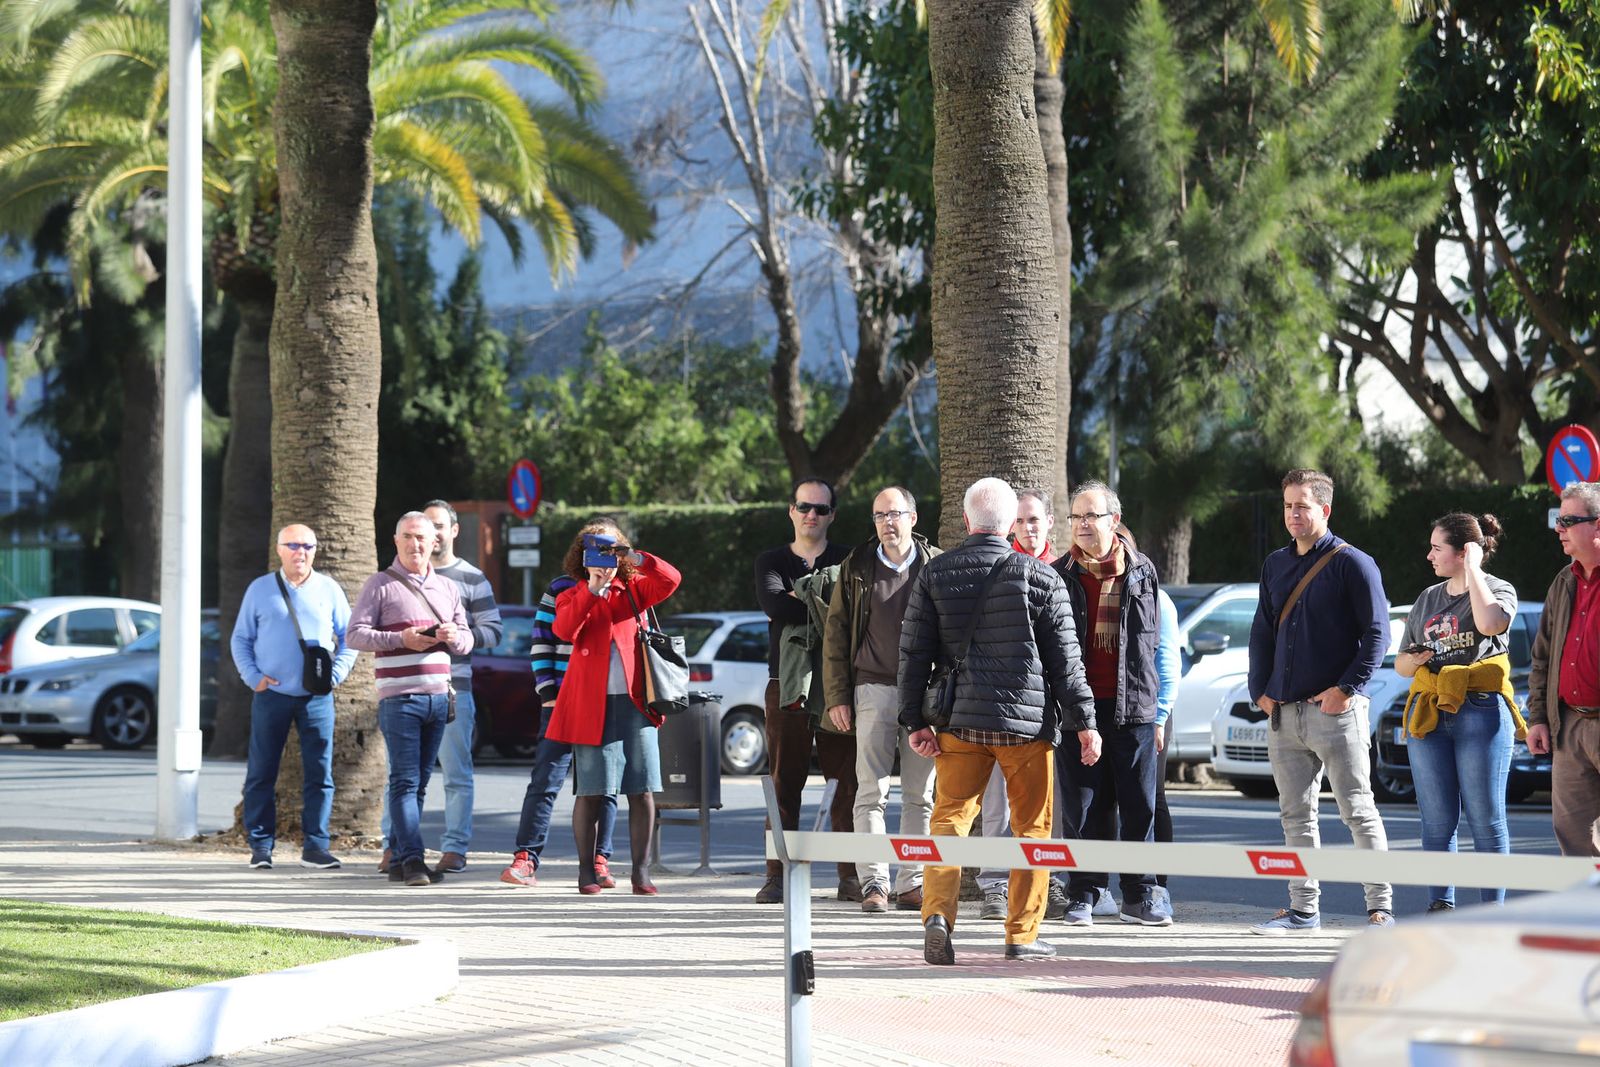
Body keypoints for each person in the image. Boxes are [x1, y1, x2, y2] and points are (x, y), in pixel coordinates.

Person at [899, 477, 1100, 964]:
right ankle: (1021, 935)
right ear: (1011, 524)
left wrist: (913, 720)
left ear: (967, 521)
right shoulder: (1042, 577)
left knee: (948, 821)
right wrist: (1085, 721)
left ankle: (937, 916)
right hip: (1026, 729)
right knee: (1032, 830)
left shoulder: (936, 572)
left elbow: (913, 653)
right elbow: (1066, 662)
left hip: (960, 725)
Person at [1247, 469, 1393, 934]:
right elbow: (1262, 630)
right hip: (1285, 715)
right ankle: (1303, 909)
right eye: (1288, 505)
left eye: (1302, 505)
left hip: (1337, 713)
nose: (1293, 513)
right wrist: (1260, 691)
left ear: (1324, 510)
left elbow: (1378, 635)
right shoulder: (1275, 564)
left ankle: (1380, 910)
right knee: (1294, 817)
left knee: (1358, 810)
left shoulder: (1354, 564)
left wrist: (1347, 689)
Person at [1051, 482, 1169, 926]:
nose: (1081, 524)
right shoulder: (1060, 573)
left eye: (1090, 516)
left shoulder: (1142, 571)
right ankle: (1085, 891)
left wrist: (1158, 710)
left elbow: (1154, 643)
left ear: (1113, 521)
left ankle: (1140, 894)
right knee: (1082, 806)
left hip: (1132, 708)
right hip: (1078, 711)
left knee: (1139, 805)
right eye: (1075, 517)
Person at [544, 521, 681, 895]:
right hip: (592, 704)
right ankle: (586, 872)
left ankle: (641, 873)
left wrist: (635, 558)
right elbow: (564, 629)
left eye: (612, 548)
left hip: (636, 702)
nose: (605, 557)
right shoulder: (572, 593)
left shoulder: (634, 588)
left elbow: (671, 579)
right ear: (582, 554)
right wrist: (592, 588)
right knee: (591, 790)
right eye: (597, 549)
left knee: (642, 789)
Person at [1395, 512, 1523, 909]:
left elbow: (1488, 624)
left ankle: (1491, 913)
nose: (1430, 556)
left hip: (1481, 712)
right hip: (1431, 712)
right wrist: (1416, 659)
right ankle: (1441, 905)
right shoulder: (1427, 598)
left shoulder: (1498, 589)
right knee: (1436, 821)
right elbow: (1400, 664)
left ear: (1464, 551)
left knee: (1485, 819)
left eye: (1438, 548)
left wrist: (1474, 570)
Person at [823, 486, 940, 914]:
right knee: (870, 791)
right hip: (871, 688)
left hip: (924, 694)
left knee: (920, 794)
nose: (887, 522)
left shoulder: (935, 564)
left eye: (894, 513)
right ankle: (875, 883)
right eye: (879, 515)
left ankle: (913, 883)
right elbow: (835, 635)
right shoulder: (856, 565)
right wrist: (838, 694)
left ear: (913, 517)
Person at [377, 500, 503, 875]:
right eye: (422, 529)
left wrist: (458, 636)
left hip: (453, 689)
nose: (429, 536)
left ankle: (454, 848)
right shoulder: (394, 580)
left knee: (455, 773)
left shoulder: (471, 578)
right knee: (400, 775)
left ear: (451, 531)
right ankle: (393, 846)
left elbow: (494, 631)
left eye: (437, 527)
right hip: (403, 689)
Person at [348, 512, 473, 888]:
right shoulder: (380, 585)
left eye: (422, 537)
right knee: (403, 781)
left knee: (418, 783)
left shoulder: (448, 589)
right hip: (399, 699)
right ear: (396, 539)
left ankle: (402, 858)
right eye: (408, 537)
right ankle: (415, 861)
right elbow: (355, 635)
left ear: (435, 542)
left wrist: (452, 636)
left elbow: (468, 640)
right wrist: (402, 638)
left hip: (439, 698)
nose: (415, 544)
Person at [753, 479, 858, 905]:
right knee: (784, 783)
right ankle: (777, 876)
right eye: (803, 506)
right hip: (787, 684)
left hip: (837, 685)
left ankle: (850, 876)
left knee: (846, 784)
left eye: (820, 508)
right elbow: (776, 606)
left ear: (832, 514)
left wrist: (806, 596)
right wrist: (823, 598)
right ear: (791, 512)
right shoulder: (771, 561)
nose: (811, 514)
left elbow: (852, 610)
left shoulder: (848, 559)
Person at [230, 524, 358, 870]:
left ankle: (315, 847)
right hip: (271, 695)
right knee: (261, 772)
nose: (300, 552)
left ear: (315, 550)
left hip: (316, 698)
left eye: (307, 546)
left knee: (320, 773)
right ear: (279, 549)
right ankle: (260, 847)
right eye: (293, 545)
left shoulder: (328, 589)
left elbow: (350, 638)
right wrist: (253, 678)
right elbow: (240, 639)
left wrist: (336, 675)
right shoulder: (260, 589)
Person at [500, 569, 619, 887]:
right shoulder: (562, 586)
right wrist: (549, 695)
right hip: (564, 701)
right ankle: (525, 858)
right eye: (593, 548)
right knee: (545, 780)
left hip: (606, 701)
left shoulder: (624, 588)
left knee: (604, 786)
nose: (602, 558)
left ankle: (600, 860)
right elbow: (541, 642)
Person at [978, 488, 1060, 920]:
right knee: (997, 803)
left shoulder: (1062, 572)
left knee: (1047, 805)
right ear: (1010, 525)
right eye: (1020, 521)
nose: (1028, 528)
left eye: (1035, 520)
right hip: (999, 705)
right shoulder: (998, 570)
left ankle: (1048, 881)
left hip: (1048, 710)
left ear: (1049, 522)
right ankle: (994, 884)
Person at [1527, 481, 1600, 857]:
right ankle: (1587, 915)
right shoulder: (1563, 582)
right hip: (1569, 726)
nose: (1559, 528)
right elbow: (1541, 657)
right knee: (1573, 836)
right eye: (1559, 518)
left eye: (1569, 520)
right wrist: (1538, 717)